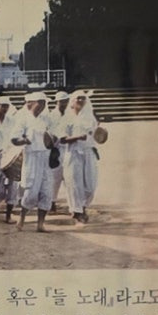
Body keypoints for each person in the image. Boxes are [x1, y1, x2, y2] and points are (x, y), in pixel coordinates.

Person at [11, 91, 54, 232]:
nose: (42, 105)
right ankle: (22, 218)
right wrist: (24, 140)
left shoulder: (46, 119)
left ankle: (40, 224)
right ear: (32, 103)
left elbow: (54, 137)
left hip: (45, 157)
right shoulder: (23, 119)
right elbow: (14, 139)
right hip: (31, 158)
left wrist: (52, 140)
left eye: (44, 103)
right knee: (31, 191)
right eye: (40, 102)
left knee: (47, 191)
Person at [60, 90, 98, 224]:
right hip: (73, 153)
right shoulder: (67, 118)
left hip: (88, 152)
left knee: (91, 184)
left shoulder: (90, 118)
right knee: (74, 183)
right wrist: (77, 137)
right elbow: (62, 139)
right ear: (73, 100)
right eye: (78, 98)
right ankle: (77, 211)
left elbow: (96, 135)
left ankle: (82, 206)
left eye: (83, 98)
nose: (81, 101)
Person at [49, 90, 71, 211]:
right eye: (61, 101)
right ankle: (52, 202)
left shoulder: (70, 114)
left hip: (69, 148)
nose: (63, 104)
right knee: (55, 177)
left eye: (65, 101)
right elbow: (50, 132)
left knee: (69, 177)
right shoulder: (51, 116)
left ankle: (72, 204)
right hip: (56, 149)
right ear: (56, 102)